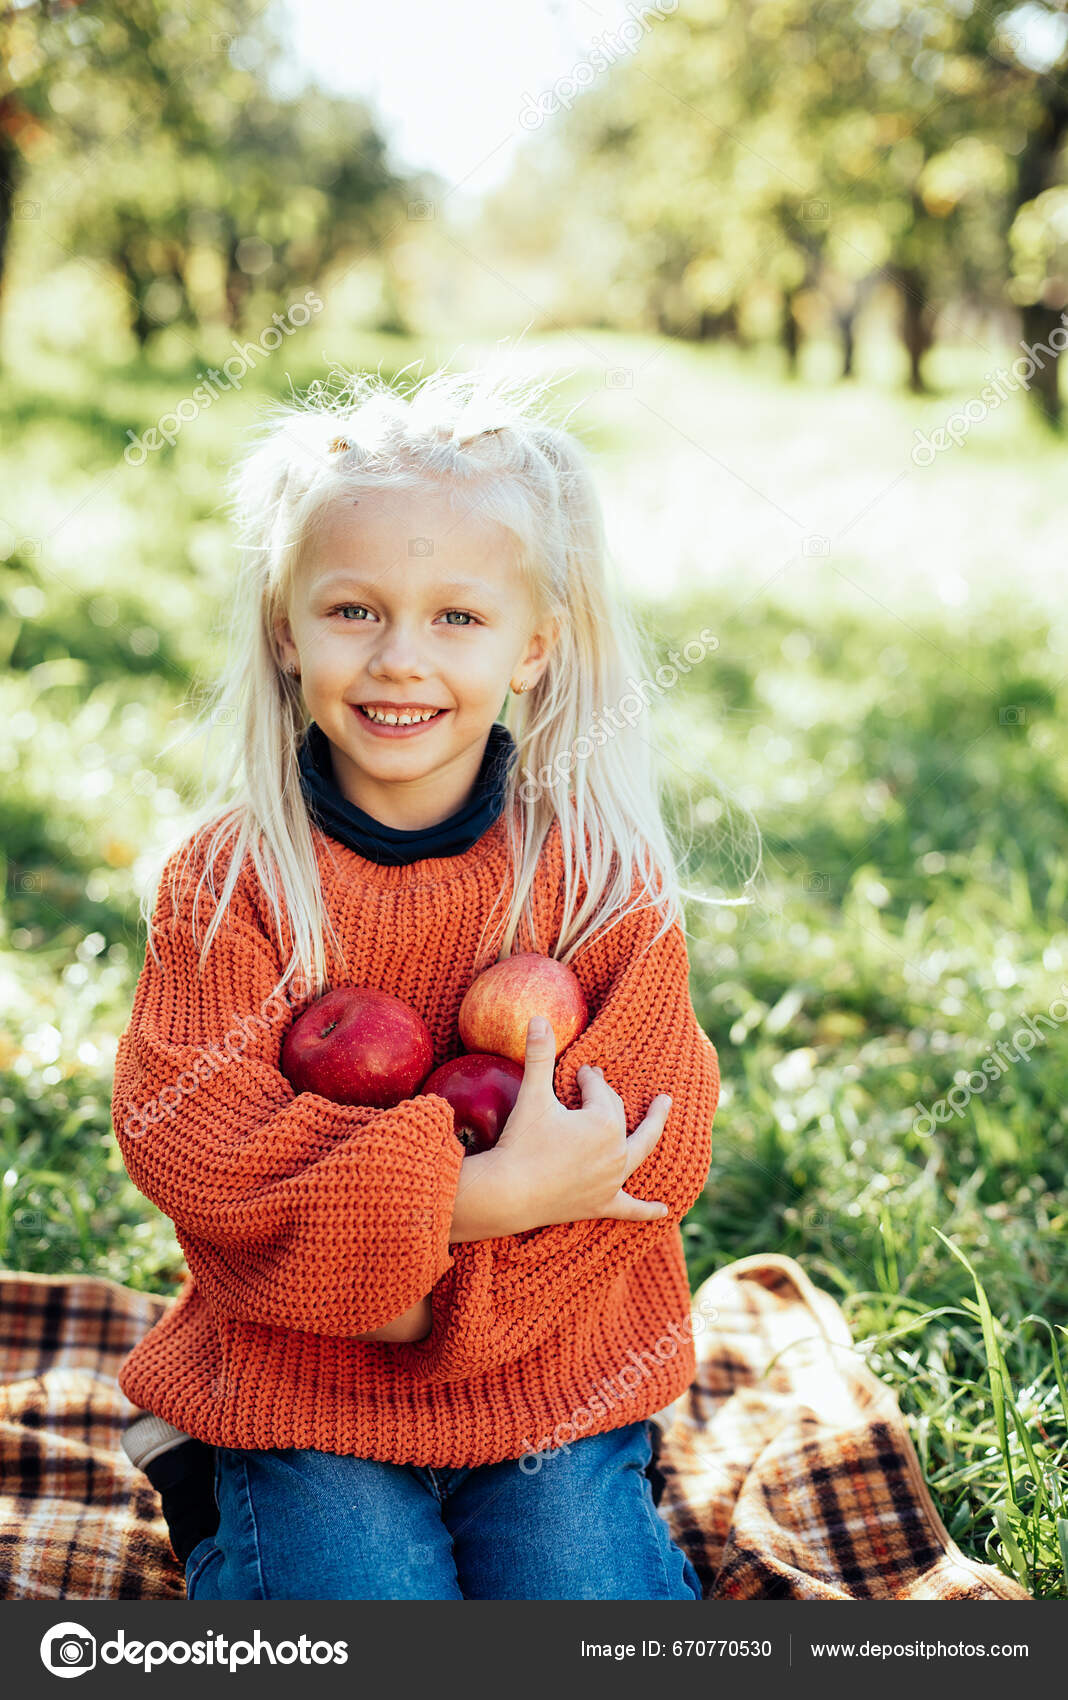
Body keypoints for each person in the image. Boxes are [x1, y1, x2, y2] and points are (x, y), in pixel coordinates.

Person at [111, 364, 725, 1600]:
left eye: (458, 616)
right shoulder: (231, 885)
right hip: (306, 1371)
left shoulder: (600, 880)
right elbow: (201, 1151)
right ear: (287, 631)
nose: (401, 658)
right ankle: (218, 1473)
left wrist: (426, 1319)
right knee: (364, 1609)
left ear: (535, 645)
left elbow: (652, 1155)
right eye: (353, 610)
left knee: (583, 1604)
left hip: (551, 1362)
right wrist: (481, 1194)